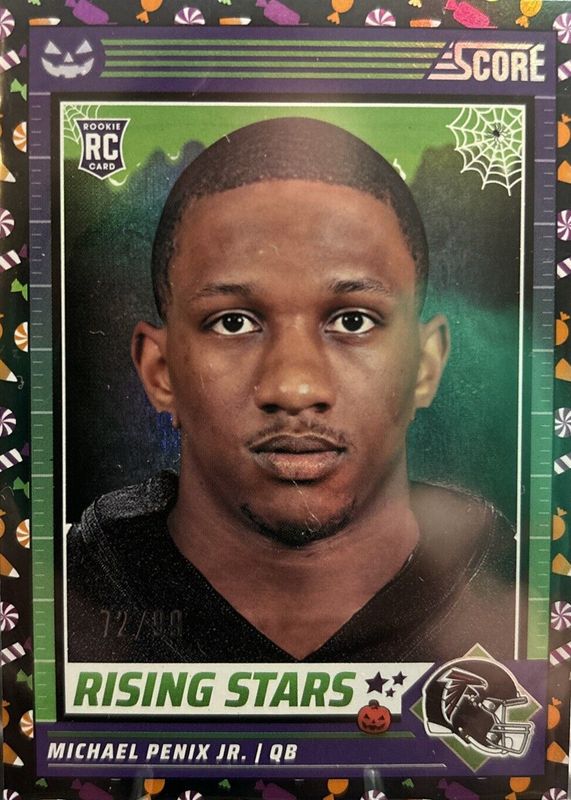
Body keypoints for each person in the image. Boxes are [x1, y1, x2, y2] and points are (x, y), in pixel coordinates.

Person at [67, 117, 516, 664]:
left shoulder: (528, 602)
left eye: (353, 321)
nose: (295, 387)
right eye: (233, 323)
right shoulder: (55, 606)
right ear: (160, 372)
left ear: (425, 365)